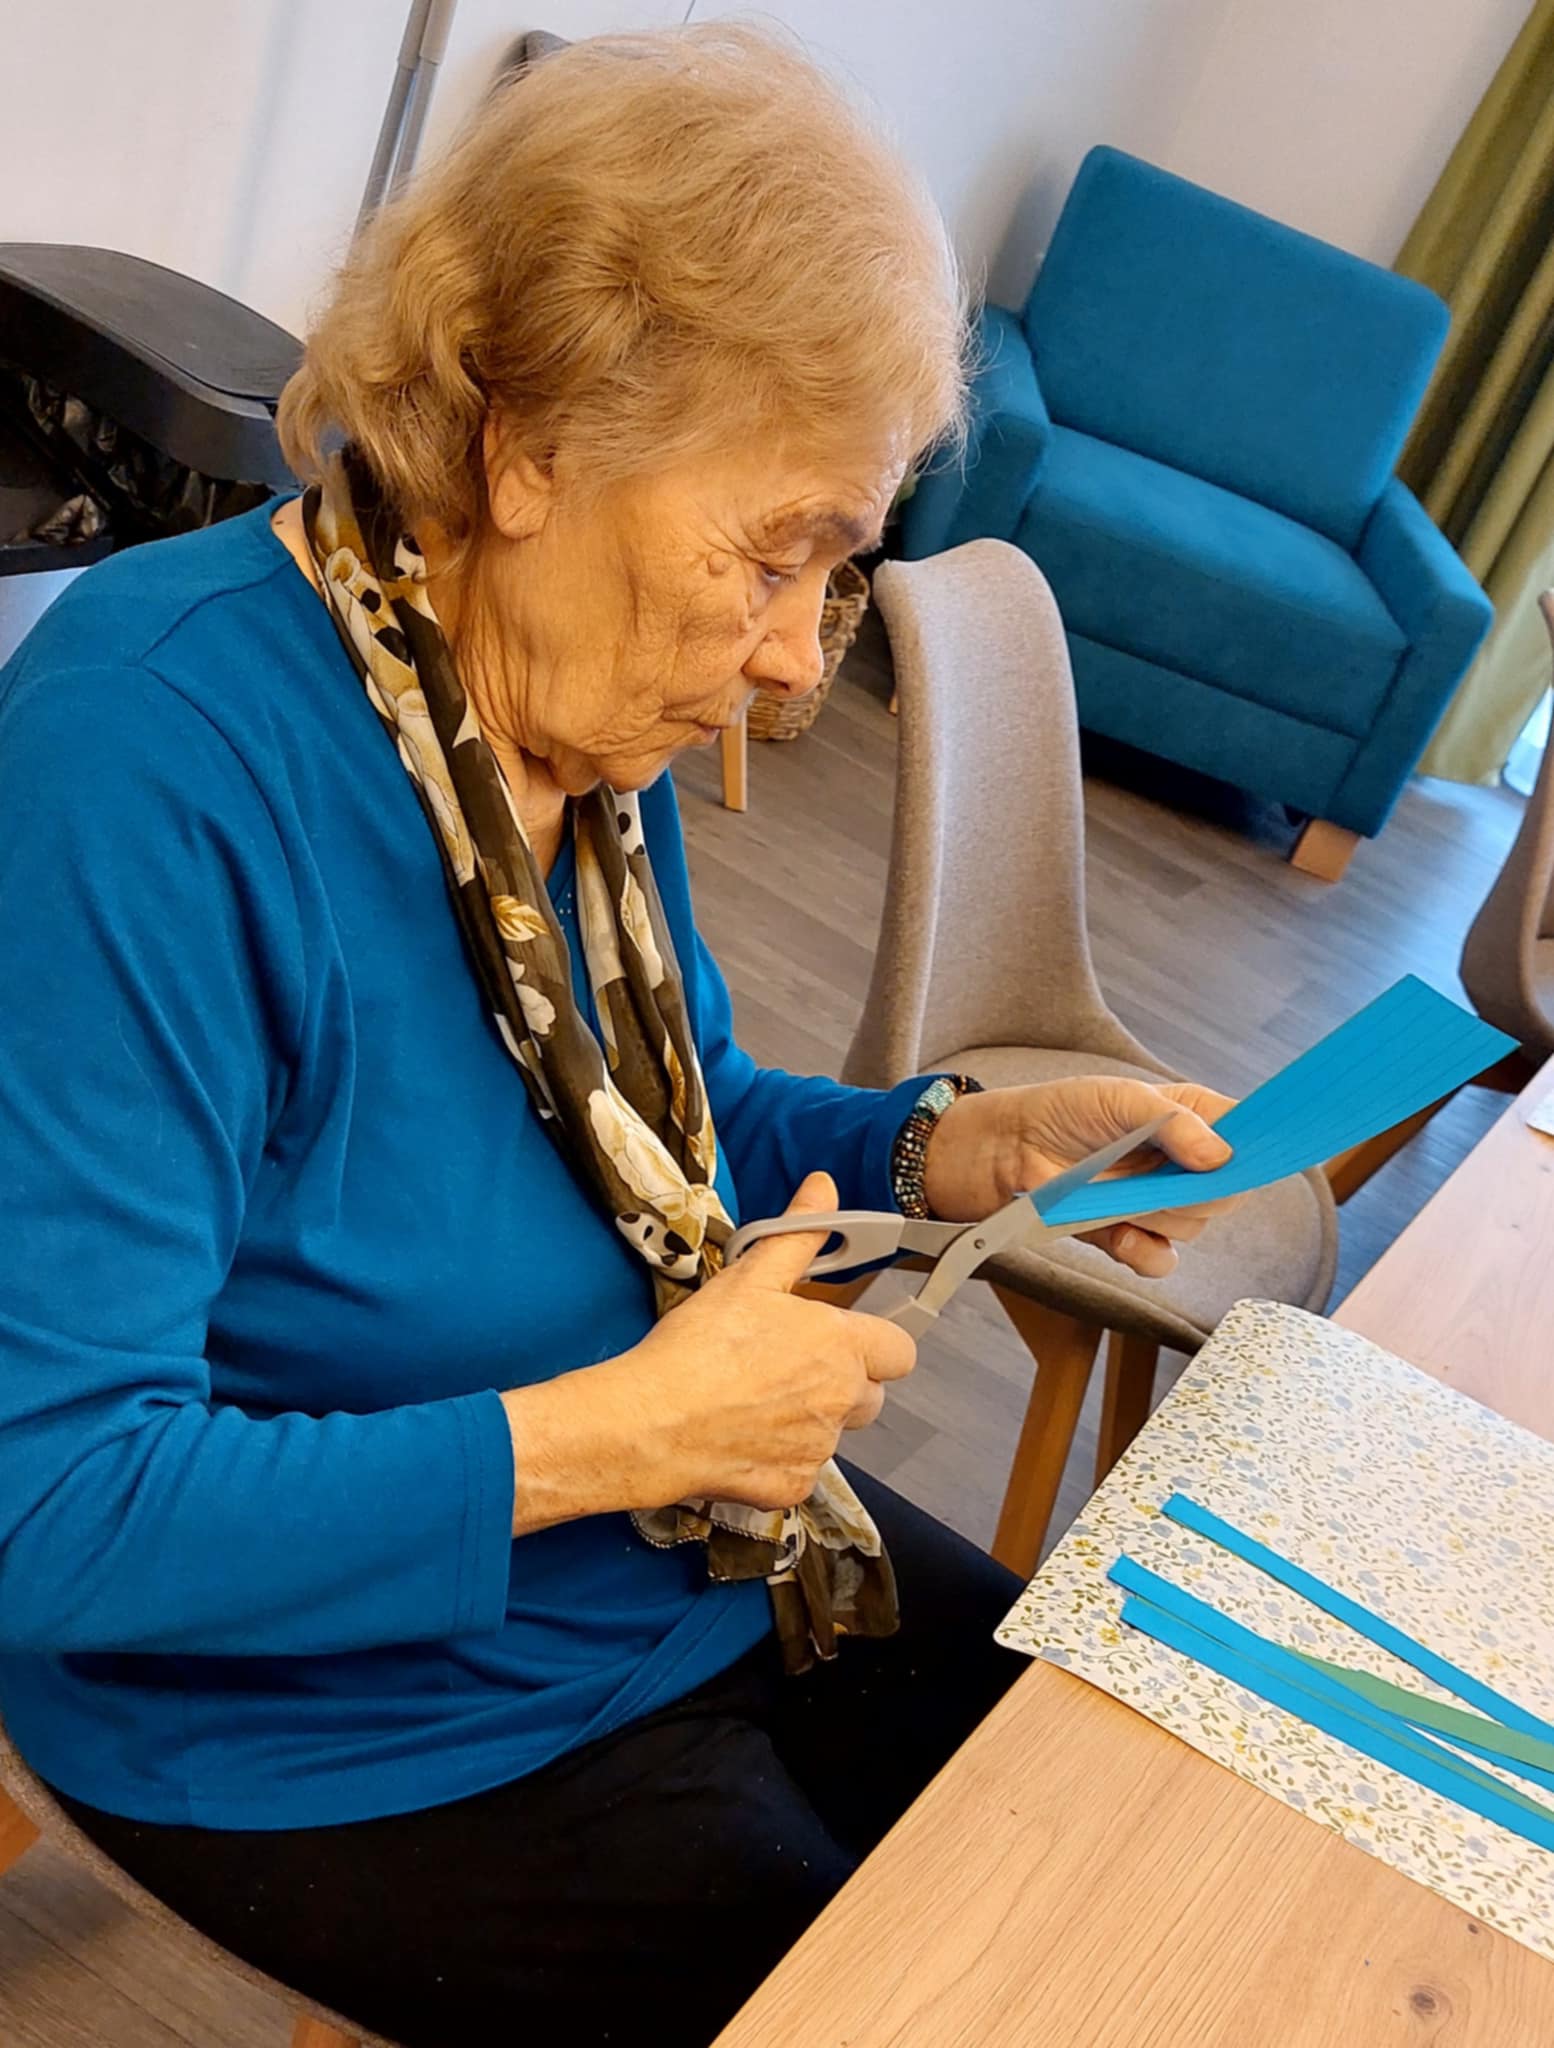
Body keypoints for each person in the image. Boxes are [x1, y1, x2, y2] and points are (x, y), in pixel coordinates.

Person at [0, 26, 1237, 2046]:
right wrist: (623, 1435)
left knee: (1127, 1821)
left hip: (651, 1549)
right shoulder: (149, 767)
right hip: (319, 1713)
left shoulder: (556, 704)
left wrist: (934, 1147)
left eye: (838, 572)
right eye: (770, 554)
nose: (791, 660)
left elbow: (666, 1127)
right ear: (530, 446)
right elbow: (47, 1510)